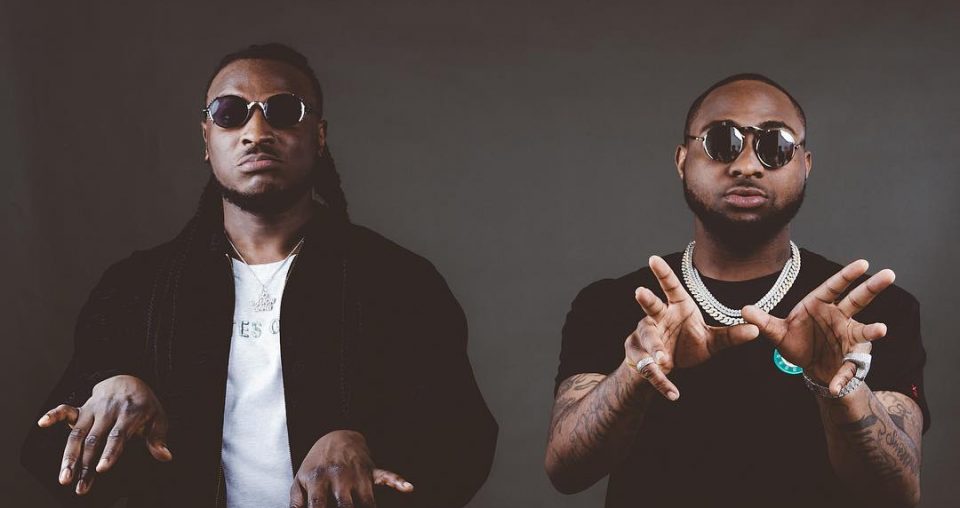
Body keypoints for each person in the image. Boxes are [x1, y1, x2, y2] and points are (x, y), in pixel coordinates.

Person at [21, 43, 498, 508]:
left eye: (283, 111)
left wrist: (363, 441)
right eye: (230, 113)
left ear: (319, 136)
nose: (256, 131)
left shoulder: (398, 282)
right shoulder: (137, 288)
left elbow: (465, 444)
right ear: (206, 139)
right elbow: (48, 461)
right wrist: (109, 387)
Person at [545, 74, 929, 508]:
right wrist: (634, 374)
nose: (747, 165)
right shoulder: (613, 305)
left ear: (805, 164)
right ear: (682, 159)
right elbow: (565, 471)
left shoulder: (874, 312)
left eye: (775, 145)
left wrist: (840, 387)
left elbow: (900, 493)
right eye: (720, 142)